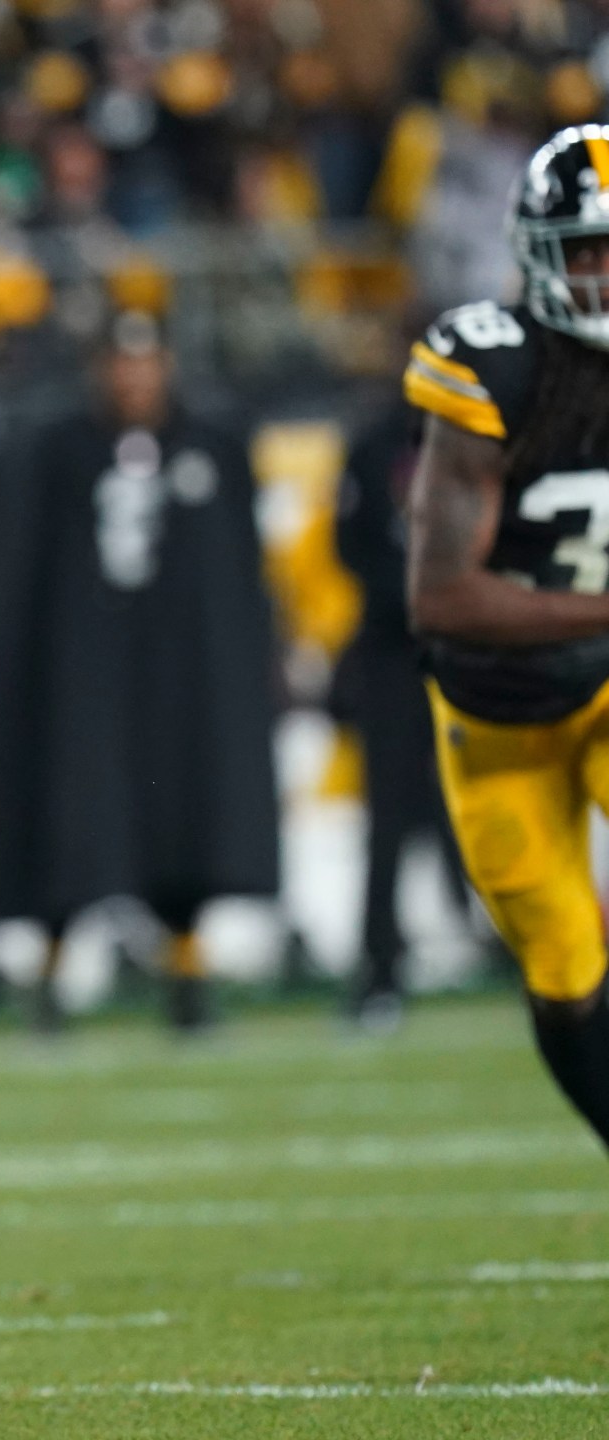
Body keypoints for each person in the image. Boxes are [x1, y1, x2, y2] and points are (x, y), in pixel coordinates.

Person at [0, 310, 279, 1032]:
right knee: (73, 823)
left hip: (179, 678)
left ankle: (189, 977)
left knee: (184, 820)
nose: (134, 377)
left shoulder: (213, 448)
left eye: (147, 361)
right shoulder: (50, 454)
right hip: (86, 678)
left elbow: (243, 581)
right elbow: (15, 578)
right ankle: (47, 983)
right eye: (121, 361)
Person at [403, 123, 609, 1154]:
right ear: (538, 250)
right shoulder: (496, 366)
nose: (608, 276)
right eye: (590, 250)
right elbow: (442, 598)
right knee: (564, 956)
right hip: (498, 708)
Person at [330, 395, 458, 1028]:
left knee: (498, 798)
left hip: (478, 643)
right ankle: (380, 966)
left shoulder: (487, 430)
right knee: (388, 815)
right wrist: (416, 595)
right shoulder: (374, 439)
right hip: (392, 649)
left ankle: (534, 959)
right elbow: (347, 542)